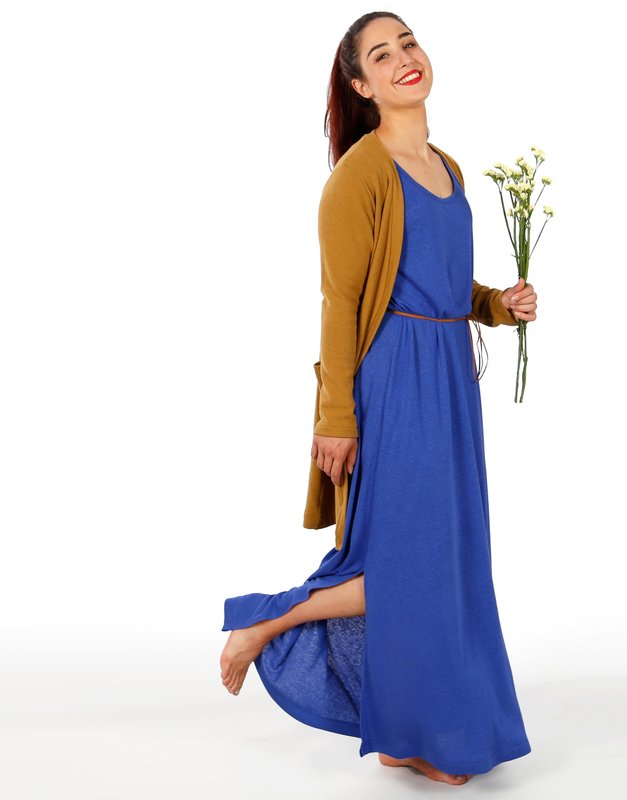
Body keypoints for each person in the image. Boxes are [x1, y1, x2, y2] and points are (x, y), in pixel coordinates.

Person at [219, 11, 537, 786]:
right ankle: (268, 617)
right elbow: (340, 303)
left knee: (449, 557)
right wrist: (336, 417)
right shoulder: (357, 176)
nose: (404, 59)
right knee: (409, 561)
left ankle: (405, 732)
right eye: (382, 55)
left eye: (409, 43)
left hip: (451, 380)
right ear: (362, 86)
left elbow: (441, 282)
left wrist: (498, 305)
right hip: (396, 378)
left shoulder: (448, 168)